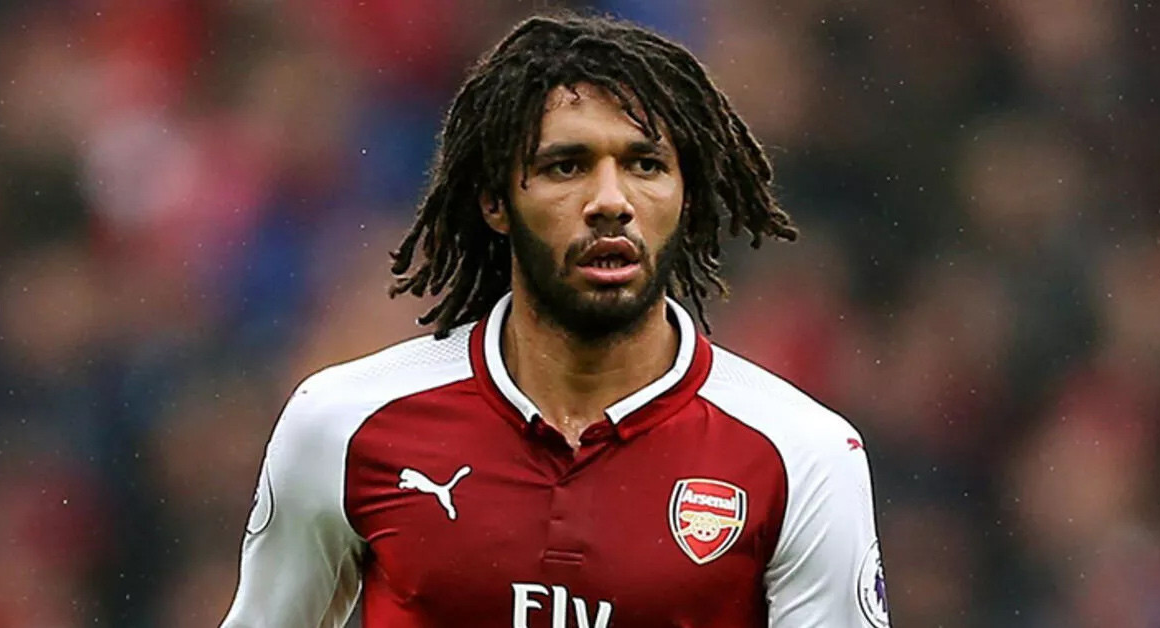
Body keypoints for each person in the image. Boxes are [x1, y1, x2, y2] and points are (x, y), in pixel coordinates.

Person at [222, 12, 890, 628]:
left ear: (686, 198)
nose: (611, 201)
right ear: (494, 200)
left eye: (646, 165)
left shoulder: (802, 456)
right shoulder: (343, 423)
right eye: (566, 166)